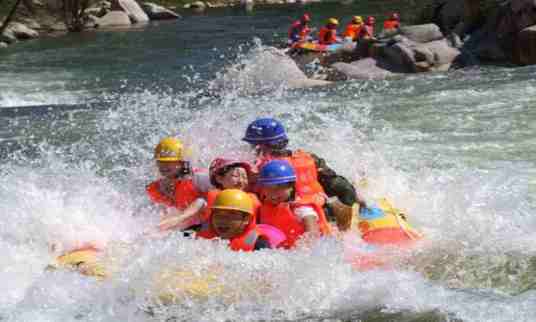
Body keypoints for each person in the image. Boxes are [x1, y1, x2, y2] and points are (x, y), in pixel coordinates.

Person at [242, 117, 363, 229]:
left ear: (260, 147)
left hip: (295, 217)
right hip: (323, 211)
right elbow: (340, 186)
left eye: (251, 146)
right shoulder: (309, 158)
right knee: (335, 185)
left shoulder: (262, 167)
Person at [256, 160, 331, 249]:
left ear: (291, 187)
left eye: (279, 188)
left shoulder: (302, 209)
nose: (273, 194)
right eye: (268, 188)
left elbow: (313, 236)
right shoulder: (263, 207)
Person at [146, 137, 212, 232]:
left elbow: (203, 201)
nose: (164, 165)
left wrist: (180, 217)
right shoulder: (157, 188)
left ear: (182, 162)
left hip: (207, 226)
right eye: (161, 162)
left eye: (170, 162)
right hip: (187, 230)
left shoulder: (198, 179)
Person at [196, 189, 285, 251]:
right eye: (218, 215)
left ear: (246, 219)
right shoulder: (199, 235)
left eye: (230, 217)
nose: (222, 221)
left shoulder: (259, 245)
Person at [200, 158, 261, 223]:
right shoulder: (214, 196)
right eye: (235, 176)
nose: (241, 181)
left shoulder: (252, 198)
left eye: (244, 177)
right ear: (219, 179)